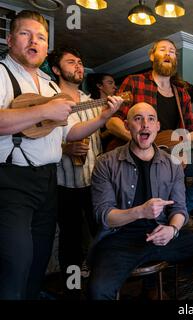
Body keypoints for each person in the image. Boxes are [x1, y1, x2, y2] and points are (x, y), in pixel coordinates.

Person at [0, 10, 122, 300]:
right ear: (9, 39)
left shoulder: (50, 85)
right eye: (25, 34)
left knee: (39, 259)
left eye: (41, 37)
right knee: (15, 260)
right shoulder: (1, 73)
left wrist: (105, 116)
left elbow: (70, 133)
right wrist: (44, 110)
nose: (34, 41)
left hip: (47, 181)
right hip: (11, 180)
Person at [87, 102, 193, 300]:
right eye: (137, 119)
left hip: (162, 234)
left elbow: (179, 209)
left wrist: (172, 230)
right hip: (119, 240)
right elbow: (104, 216)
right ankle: (152, 288)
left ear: (157, 126)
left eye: (150, 119)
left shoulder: (173, 163)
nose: (145, 125)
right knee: (98, 291)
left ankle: (170, 290)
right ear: (127, 125)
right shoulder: (105, 163)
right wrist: (140, 211)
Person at [106, 38, 193, 233]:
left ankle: (179, 215)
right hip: (137, 155)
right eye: (162, 49)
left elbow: (190, 133)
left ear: (175, 60)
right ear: (152, 56)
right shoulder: (135, 82)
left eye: (172, 51)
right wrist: (141, 144)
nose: (168, 53)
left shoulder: (182, 94)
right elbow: (112, 122)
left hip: (171, 155)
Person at [47, 47, 102, 295]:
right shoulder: (46, 100)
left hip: (96, 182)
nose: (78, 66)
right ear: (57, 69)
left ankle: (103, 285)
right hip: (62, 183)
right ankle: (73, 290)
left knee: (101, 234)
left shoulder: (93, 103)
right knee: (70, 241)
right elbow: (36, 139)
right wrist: (65, 148)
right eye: (71, 62)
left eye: (80, 62)